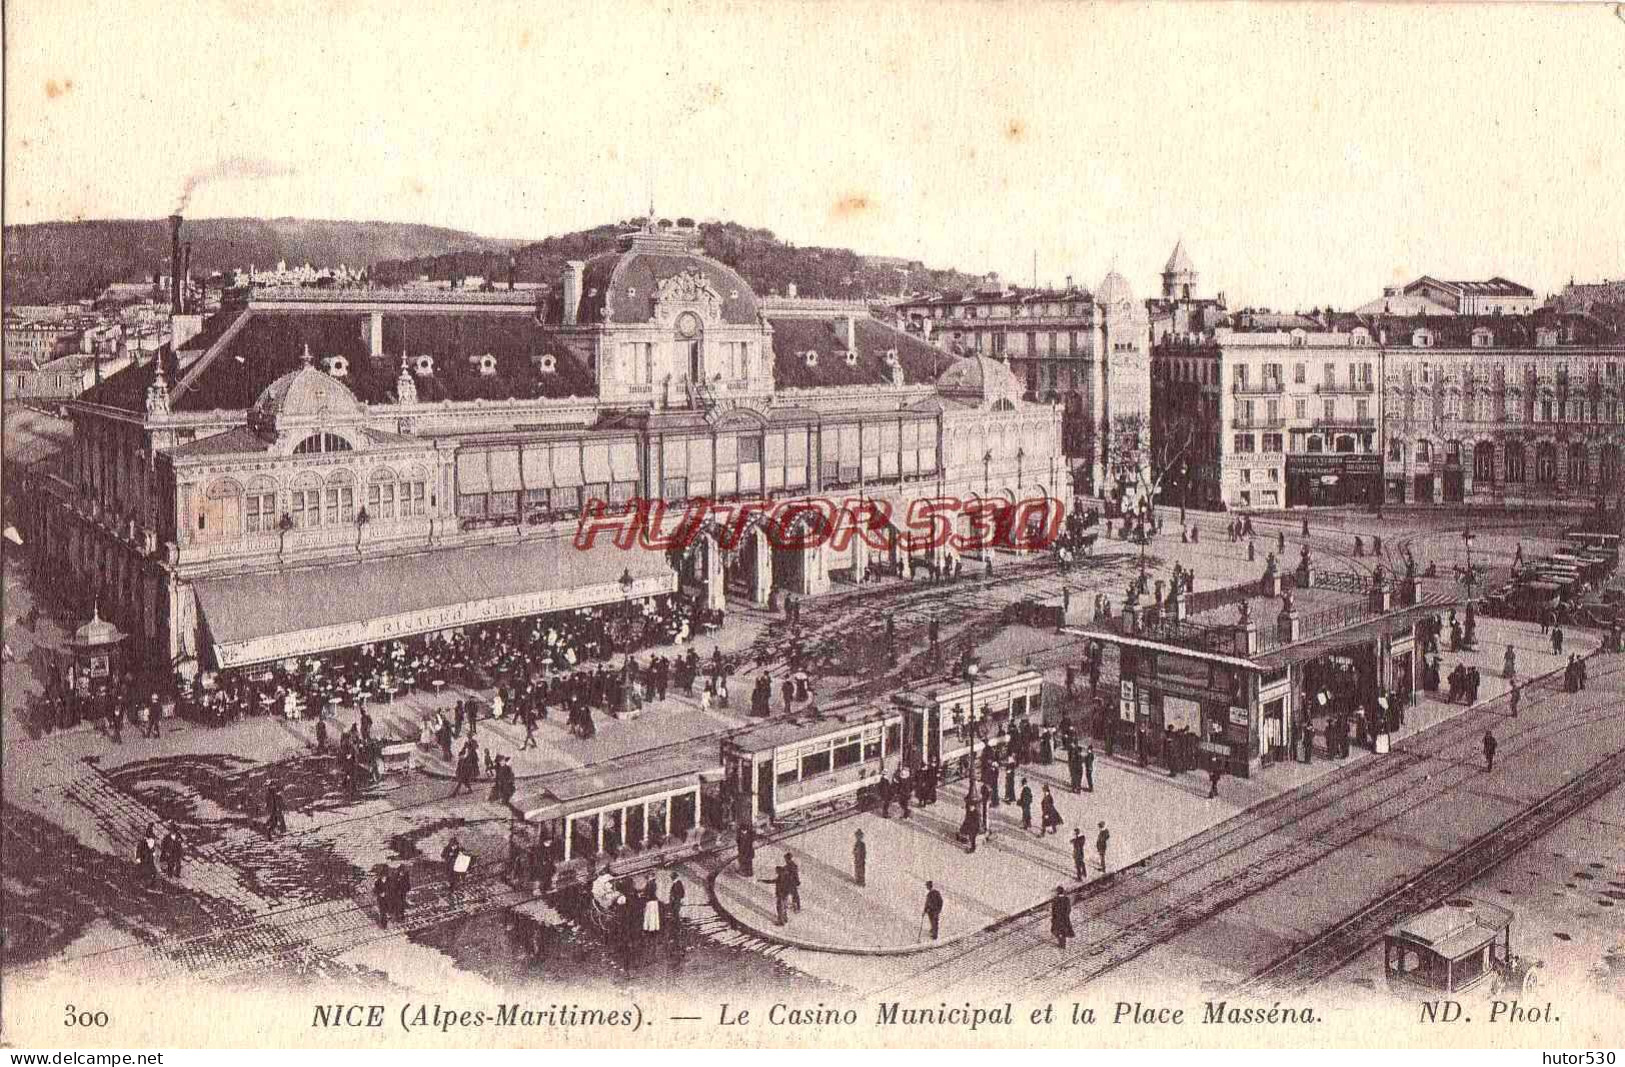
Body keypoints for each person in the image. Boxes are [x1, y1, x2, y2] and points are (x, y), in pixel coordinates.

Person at [668, 873, 686, 938]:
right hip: (675, 900)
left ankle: (678, 926)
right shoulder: (675, 883)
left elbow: (681, 892)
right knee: (675, 912)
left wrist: (680, 899)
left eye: (672, 877)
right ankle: (677, 925)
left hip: (677, 900)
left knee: (676, 912)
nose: (671, 878)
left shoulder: (678, 883)